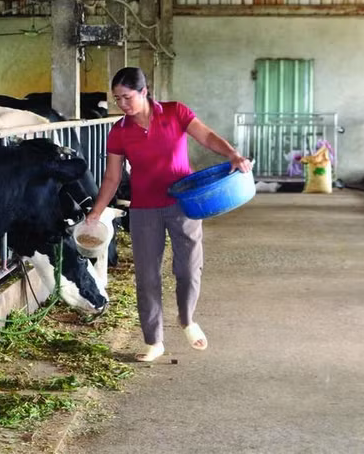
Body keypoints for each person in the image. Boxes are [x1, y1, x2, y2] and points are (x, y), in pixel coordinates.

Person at [85, 66, 252, 362]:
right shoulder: (119, 132)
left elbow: (207, 136)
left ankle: (187, 320)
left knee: (187, 268)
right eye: (117, 100)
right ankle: (153, 341)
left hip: (183, 203)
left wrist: (232, 154)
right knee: (147, 276)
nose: (122, 105)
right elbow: (112, 178)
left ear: (144, 92)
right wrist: (95, 213)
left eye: (127, 97)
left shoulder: (176, 112)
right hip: (144, 209)